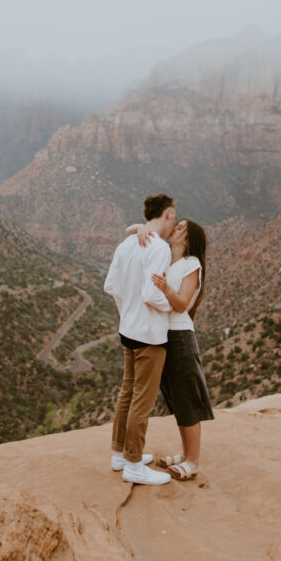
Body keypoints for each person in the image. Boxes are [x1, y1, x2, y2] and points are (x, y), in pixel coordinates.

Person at [134, 217, 214, 481]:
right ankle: (185, 454)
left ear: (188, 240)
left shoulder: (192, 265)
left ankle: (193, 461)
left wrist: (165, 287)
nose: (176, 229)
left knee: (187, 398)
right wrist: (143, 228)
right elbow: (131, 231)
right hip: (162, 335)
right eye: (176, 225)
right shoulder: (166, 256)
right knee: (177, 399)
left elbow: (181, 305)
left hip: (180, 335)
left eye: (181, 228)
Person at [104, 193, 176, 485]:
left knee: (127, 392)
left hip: (128, 330)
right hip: (149, 334)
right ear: (168, 214)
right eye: (175, 217)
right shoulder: (159, 248)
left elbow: (111, 285)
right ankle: (134, 464)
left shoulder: (128, 243)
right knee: (142, 401)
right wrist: (170, 305)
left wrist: (127, 311)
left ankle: (119, 454)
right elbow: (152, 293)